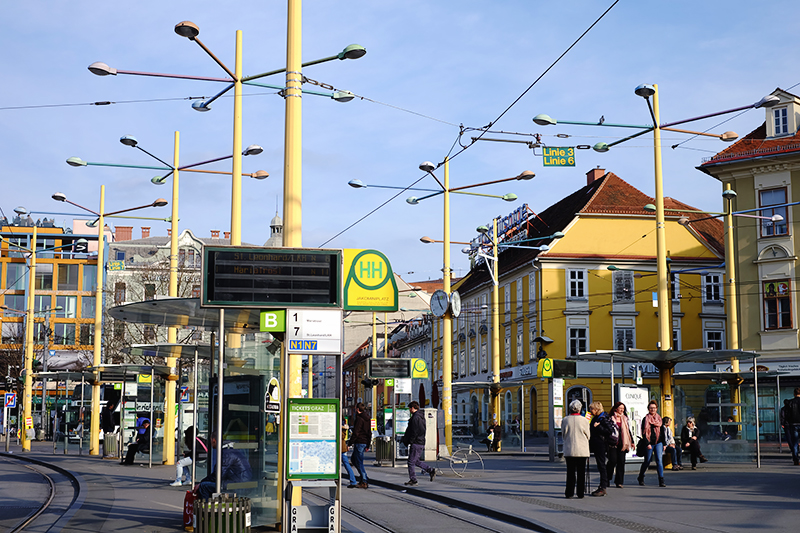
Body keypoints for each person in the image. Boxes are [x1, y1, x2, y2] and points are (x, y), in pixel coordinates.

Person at [195, 433, 252, 500]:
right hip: (241, 482)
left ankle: (207, 507)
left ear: (213, 440)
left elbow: (218, 474)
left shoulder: (227, 453)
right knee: (209, 485)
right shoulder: (231, 450)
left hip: (237, 485)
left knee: (203, 486)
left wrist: (201, 483)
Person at [401, 401, 436, 486]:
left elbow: (415, 431)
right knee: (415, 461)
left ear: (413, 408)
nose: (409, 410)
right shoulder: (421, 416)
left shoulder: (416, 417)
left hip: (416, 442)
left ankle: (413, 480)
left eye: (409, 408)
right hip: (420, 441)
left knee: (411, 462)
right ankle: (430, 470)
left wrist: (411, 440)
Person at [562, 399, 590, 499]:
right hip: (582, 450)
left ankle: (569, 493)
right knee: (581, 472)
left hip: (569, 450)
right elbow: (588, 435)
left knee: (570, 472)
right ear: (579, 409)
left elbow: (563, 434)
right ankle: (580, 493)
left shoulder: (565, 420)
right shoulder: (585, 420)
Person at [637, 400, 666, 487]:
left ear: (656, 409)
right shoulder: (645, 419)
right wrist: (647, 443)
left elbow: (662, 432)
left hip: (659, 442)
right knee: (647, 461)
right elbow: (644, 433)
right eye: (651, 408)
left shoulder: (659, 419)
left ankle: (661, 480)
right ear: (648, 409)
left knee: (659, 461)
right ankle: (641, 476)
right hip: (649, 443)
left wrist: (664, 444)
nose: (652, 409)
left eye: (654, 408)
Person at [588, 401, 612, 496]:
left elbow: (609, 431)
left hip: (601, 444)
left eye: (592, 409)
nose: (590, 411)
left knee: (601, 465)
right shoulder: (596, 417)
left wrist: (598, 427)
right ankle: (603, 486)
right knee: (600, 465)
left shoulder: (603, 418)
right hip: (596, 443)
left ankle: (603, 486)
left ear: (597, 410)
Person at [606, 402, 633, 488]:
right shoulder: (610, 418)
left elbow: (628, 431)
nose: (622, 410)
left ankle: (619, 482)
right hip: (613, 443)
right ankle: (607, 478)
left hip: (623, 443)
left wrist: (631, 441)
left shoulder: (625, 418)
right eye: (620, 408)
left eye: (623, 408)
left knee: (621, 462)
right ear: (615, 408)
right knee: (612, 461)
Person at [348, 402, 371, 489]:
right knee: (354, 460)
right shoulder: (367, 418)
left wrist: (349, 443)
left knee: (359, 462)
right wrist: (368, 444)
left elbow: (356, 432)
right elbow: (369, 432)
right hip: (364, 442)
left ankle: (364, 480)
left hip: (359, 442)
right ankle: (363, 477)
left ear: (357, 409)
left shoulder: (359, 419)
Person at [784, 388, 800, 466]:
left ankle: (796, 459)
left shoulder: (790, 403)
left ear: (794, 393)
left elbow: (787, 415)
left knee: (795, 442)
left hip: (793, 424)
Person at [341, 420, 357, 488]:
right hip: (343, 448)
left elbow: (340, 437)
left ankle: (353, 481)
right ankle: (353, 480)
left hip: (340, 449)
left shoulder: (340, 429)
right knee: (346, 464)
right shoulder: (343, 429)